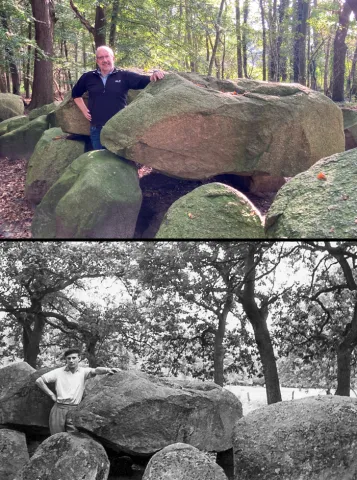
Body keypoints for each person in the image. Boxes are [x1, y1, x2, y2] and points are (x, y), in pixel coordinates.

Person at [72, 45, 165, 150]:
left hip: (119, 129)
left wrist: (156, 72)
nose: (104, 60)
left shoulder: (124, 76)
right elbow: (75, 93)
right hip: (97, 129)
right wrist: (84, 110)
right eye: (101, 57)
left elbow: (146, 80)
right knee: (99, 162)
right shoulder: (88, 77)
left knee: (118, 163)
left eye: (107, 56)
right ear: (97, 60)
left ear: (113, 58)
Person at [35, 347, 121, 435]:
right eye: (69, 358)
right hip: (59, 408)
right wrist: (51, 394)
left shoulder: (83, 372)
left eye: (74, 358)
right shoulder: (58, 372)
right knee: (56, 436)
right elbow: (39, 381)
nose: (71, 360)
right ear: (66, 360)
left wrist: (108, 370)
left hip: (74, 409)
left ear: (79, 358)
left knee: (74, 438)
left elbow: (96, 370)